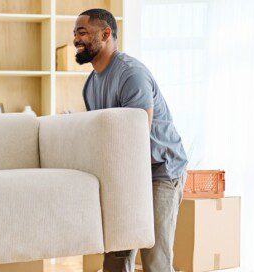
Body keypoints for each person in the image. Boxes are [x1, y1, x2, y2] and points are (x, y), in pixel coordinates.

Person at [74, 9, 188, 272]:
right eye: (75, 33)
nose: (76, 39)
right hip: (129, 172)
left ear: (105, 35)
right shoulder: (90, 84)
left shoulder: (130, 74)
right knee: (115, 255)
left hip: (161, 169)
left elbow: (136, 139)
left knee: (154, 257)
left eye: (82, 32)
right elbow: (104, 137)